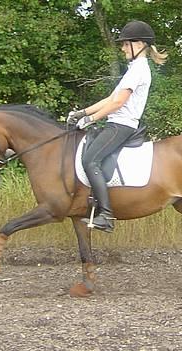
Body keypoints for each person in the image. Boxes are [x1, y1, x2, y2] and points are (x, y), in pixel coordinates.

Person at [68, 20, 168, 233]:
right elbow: (110, 98)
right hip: (116, 123)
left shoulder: (139, 70)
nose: (122, 48)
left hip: (122, 125)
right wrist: (83, 112)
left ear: (139, 44)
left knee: (90, 159)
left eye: (125, 44)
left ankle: (106, 214)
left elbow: (117, 103)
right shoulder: (134, 69)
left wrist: (90, 120)